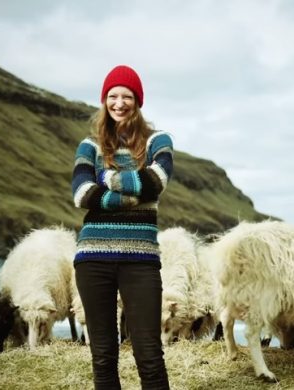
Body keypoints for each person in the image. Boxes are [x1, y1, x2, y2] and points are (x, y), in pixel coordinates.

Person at [71, 65, 173, 390]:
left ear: (137, 101)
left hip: (140, 260)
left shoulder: (158, 141)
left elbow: (156, 181)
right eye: (112, 96)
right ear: (104, 100)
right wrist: (134, 197)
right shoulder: (89, 146)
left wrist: (109, 179)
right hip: (92, 259)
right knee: (103, 355)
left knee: (149, 354)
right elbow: (82, 194)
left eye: (126, 96)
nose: (119, 103)